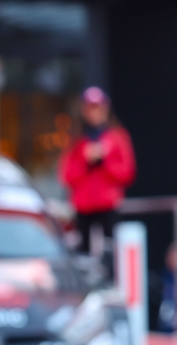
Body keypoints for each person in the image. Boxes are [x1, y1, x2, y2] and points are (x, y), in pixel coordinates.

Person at [59, 87, 136, 263]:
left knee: (111, 253)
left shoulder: (117, 137)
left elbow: (127, 173)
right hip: (83, 208)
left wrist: (104, 161)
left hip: (108, 206)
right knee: (83, 255)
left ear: (106, 109)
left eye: (98, 108)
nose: (94, 113)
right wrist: (86, 161)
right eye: (90, 108)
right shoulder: (75, 140)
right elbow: (66, 176)